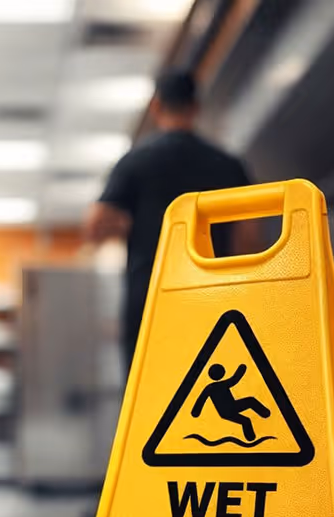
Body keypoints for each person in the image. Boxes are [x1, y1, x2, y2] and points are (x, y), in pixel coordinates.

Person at [85, 70, 258, 370]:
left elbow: (95, 227)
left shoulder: (136, 161)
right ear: (195, 107)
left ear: (155, 106)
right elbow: (249, 238)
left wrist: (131, 226)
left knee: (148, 395)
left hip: (151, 296)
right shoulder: (228, 165)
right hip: (211, 294)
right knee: (208, 386)